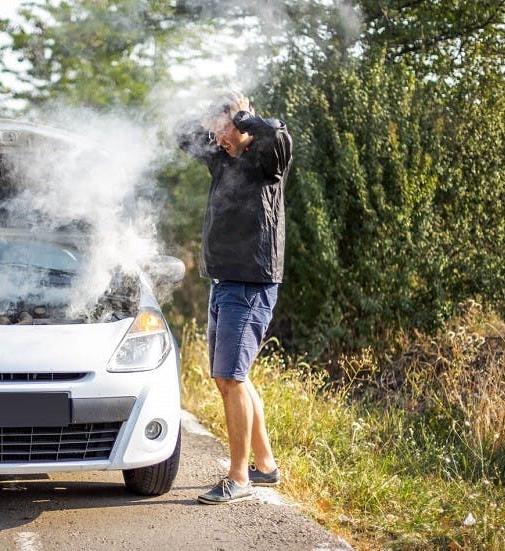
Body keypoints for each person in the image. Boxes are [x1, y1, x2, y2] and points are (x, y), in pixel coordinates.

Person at [176, 91, 293, 504]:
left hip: (250, 282)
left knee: (230, 377)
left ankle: (239, 477)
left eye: (223, 131)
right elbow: (180, 133)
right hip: (225, 281)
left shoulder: (266, 159)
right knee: (233, 379)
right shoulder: (221, 157)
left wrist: (243, 117)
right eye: (214, 132)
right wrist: (212, 116)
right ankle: (265, 465)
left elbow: (277, 132)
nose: (216, 139)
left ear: (242, 125)